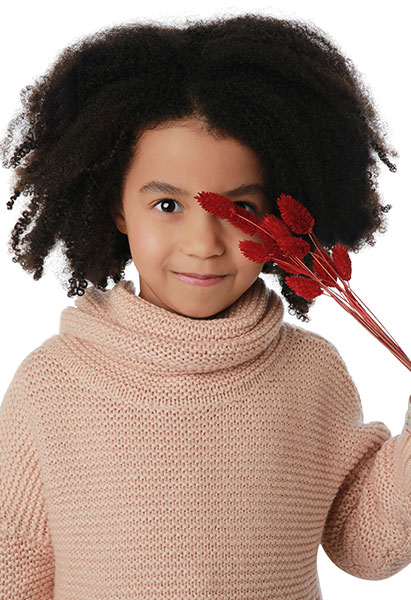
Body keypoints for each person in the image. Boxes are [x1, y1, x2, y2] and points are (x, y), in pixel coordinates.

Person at [0, 13, 410, 599]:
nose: (203, 243)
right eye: (168, 206)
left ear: (278, 213)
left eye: (240, 210)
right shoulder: (52, 385)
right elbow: (14, 570)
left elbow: (363, 546)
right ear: (117, 208)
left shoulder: (311, 375)